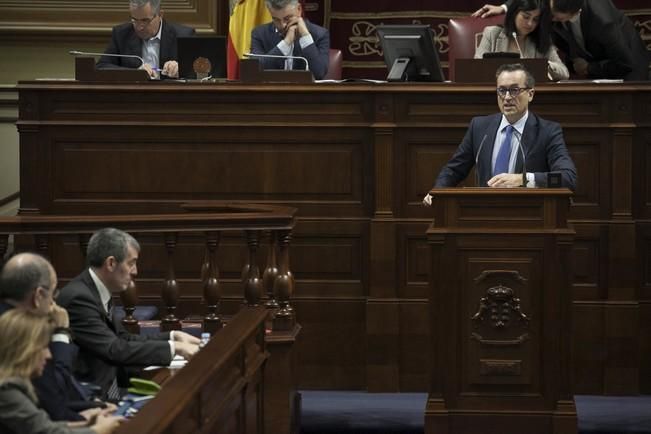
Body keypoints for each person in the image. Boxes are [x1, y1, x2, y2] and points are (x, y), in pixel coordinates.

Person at [57, 228, 200, 400]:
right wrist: (175, 348)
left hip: (115, 387)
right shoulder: (78, 298)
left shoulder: (98, 289)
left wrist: (173, 337)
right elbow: (114, 349)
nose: (135, 271)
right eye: (131, 263)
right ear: (111, 263)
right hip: (93, 399)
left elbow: (123, 339)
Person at [423, 63, 576, 204]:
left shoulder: (547, 131)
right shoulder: (479, 127)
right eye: (502, 90)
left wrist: (523, 180)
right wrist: (438, 191)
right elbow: (454, 169)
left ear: (530, 94)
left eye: (515, 90)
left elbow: (567, 179)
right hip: (484, 213)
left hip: (529, 216)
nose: (507, 97)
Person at [0, 253, 110, 422]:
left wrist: (93, 408)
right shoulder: (21, 332)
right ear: (38, 297)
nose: (54, 303)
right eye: (53, 293)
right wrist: (61, 332)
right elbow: (54, 400)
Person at [0, 309, 124, 434]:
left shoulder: (17, 384)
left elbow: (43, 425)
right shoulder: (6, 389)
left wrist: (86, 423)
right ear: (24, 351)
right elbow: (45, 432)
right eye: (43, 348)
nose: (48, 355)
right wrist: (97, 430)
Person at [472, 0, 650, 81]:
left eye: (555, 18)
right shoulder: (492, 34)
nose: (534, 23)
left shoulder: (603, 21)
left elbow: (625, 63)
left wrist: (589, 67)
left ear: (574, 15)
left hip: (629, 67)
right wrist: (503, 8)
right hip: (594, 65)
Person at [96, 0, 195, 78]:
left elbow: (201, 72)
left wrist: (181, 69)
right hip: (134, 98)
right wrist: (135, 73)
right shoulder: (121, 34)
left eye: (145, 20)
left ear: (160, 15)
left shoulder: (183, 35)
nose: (139, 27)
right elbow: (101, 67)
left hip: (172, 99)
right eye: (134, 20)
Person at [475, 0, 569, 81]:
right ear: (514, 13)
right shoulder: (492, 33)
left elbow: (564, 73)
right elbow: (477, 68)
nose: (530, 23)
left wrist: (542, 65)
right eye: (526, 17)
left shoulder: (541, 39)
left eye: (535, 19)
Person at [250, 0, 330, 79]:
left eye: (287, 18)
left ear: (299, 9)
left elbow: (319, 73)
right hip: (271, 90)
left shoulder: (320, 34)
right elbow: (254, 70)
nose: (282, 25)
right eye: (276, 19)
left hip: (305, 91)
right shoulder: (259, 34)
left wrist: (305, 36)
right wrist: (286, 42)